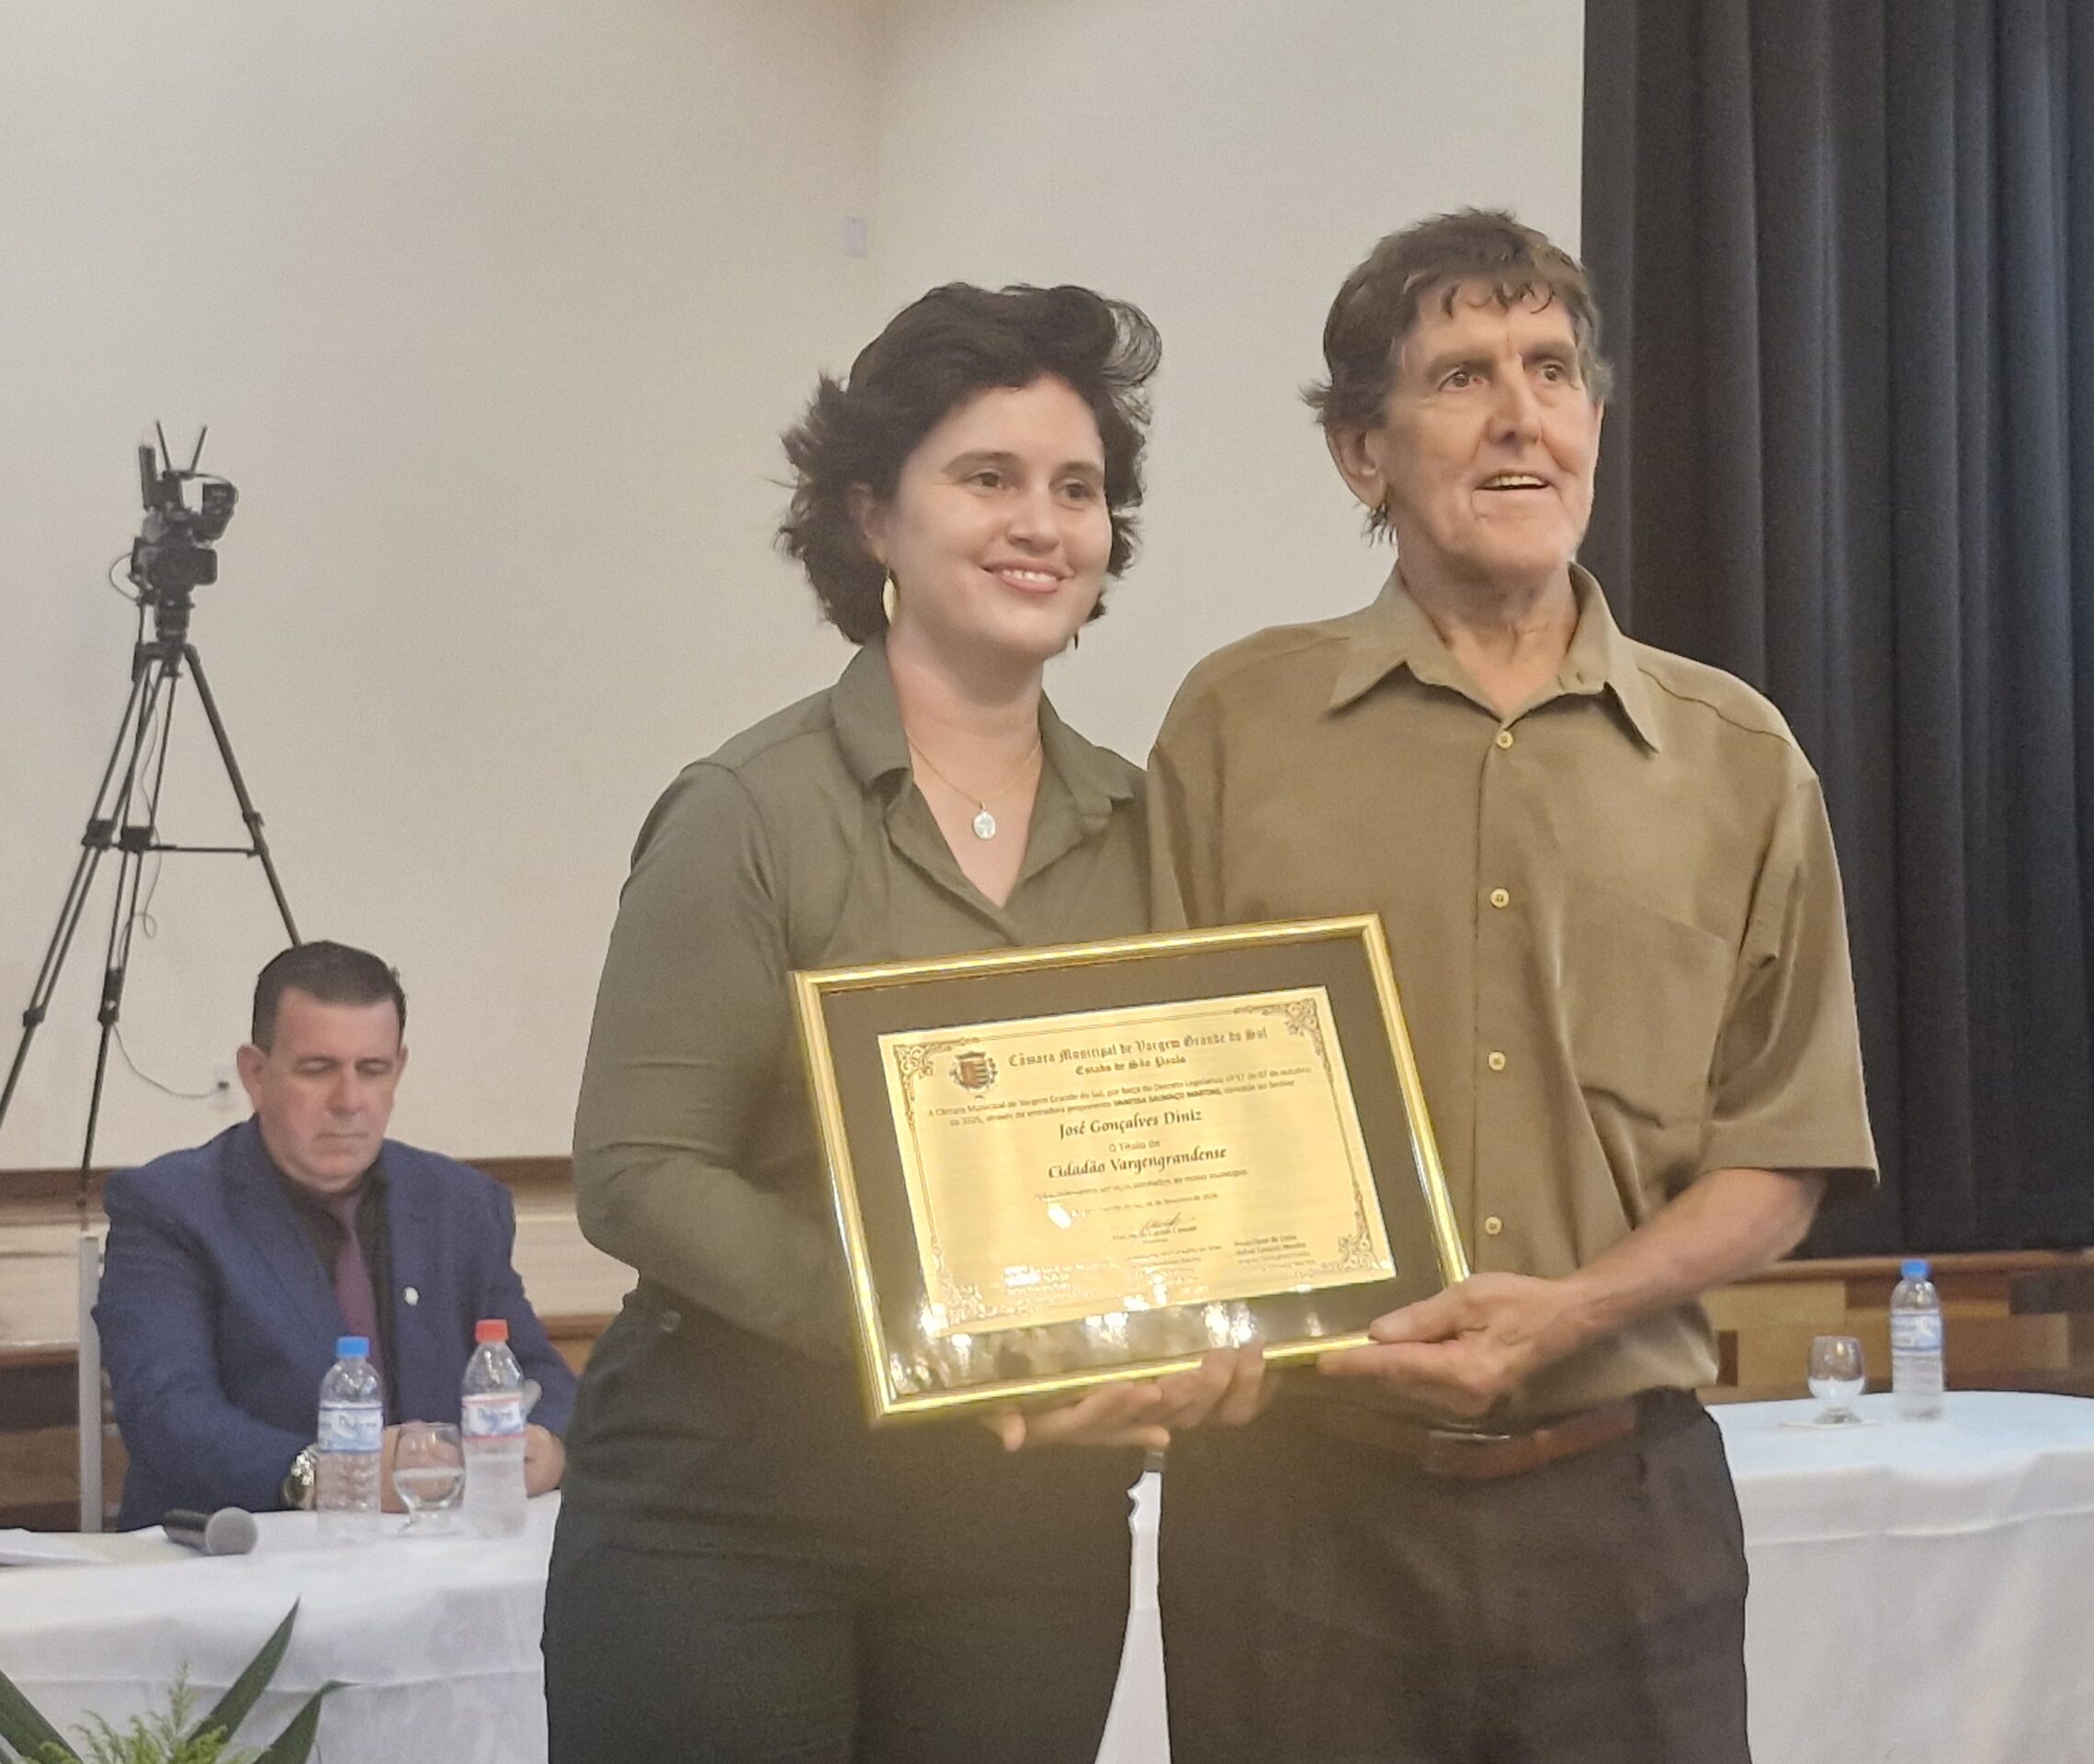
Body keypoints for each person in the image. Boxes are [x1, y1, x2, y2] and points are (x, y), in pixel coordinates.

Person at [1147, 209, 1880, 1763]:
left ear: (1594, 424)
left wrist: (1569, 1313)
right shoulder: (1233, 729)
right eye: (1461, 376)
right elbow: (1151, 1112)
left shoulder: (1738, 762)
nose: (1519, 416)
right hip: (1297, 1516)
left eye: (1552, 371)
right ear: (1363, 452)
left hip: (1624, 1518)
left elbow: (1784, 1152)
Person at [542, 281, 1259, 1764]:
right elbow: (637, 1171)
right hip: (731, 1505)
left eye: (1077, 488)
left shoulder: (1155, 831)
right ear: (872, 515)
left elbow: (1192, 1156)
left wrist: (1221, 1324)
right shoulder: (748, 811)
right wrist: (937, 1346)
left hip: (1032, 1523)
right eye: (987, 478)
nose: (1040, 524)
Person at [95, 940, 576, 1532]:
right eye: (317, 1070)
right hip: (245, 1550)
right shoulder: (171, 1206)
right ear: (255, 1074)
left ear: (397, 1070)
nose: (349, 1102)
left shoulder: (461, 1205)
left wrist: (549, 1445)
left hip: (438, 1548)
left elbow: (538, 1374)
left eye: (372, 1071)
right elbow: (168, 1413)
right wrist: (326, 1475)